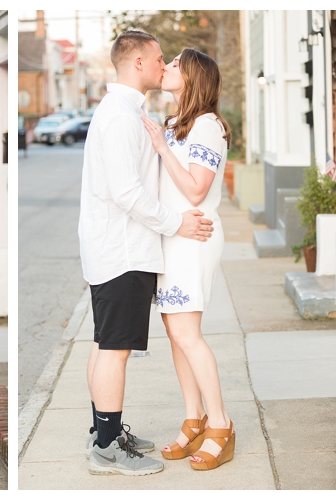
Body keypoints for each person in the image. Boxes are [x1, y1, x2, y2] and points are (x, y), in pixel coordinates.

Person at [78, 29, 215, 476]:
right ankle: (106, 449)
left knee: (106, 345)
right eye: (159, 59)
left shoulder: (128, 111)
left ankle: (106, 433)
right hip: (121, 249)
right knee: (114, 348)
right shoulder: (119, 115)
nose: (163, 65)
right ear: (138, 63)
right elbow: (126, 193)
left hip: (120, 248)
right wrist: (177, 223)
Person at [141, 48, 235, 471]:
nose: (168, 67)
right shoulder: (177, 123)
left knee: (188, 334)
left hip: (194, 237)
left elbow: (197, 190)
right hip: (171, 237)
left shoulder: (208, 126)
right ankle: (193, 416)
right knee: (175, 333)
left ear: (194, 76)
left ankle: (220, 424)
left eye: (176, 63)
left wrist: (161, 147)